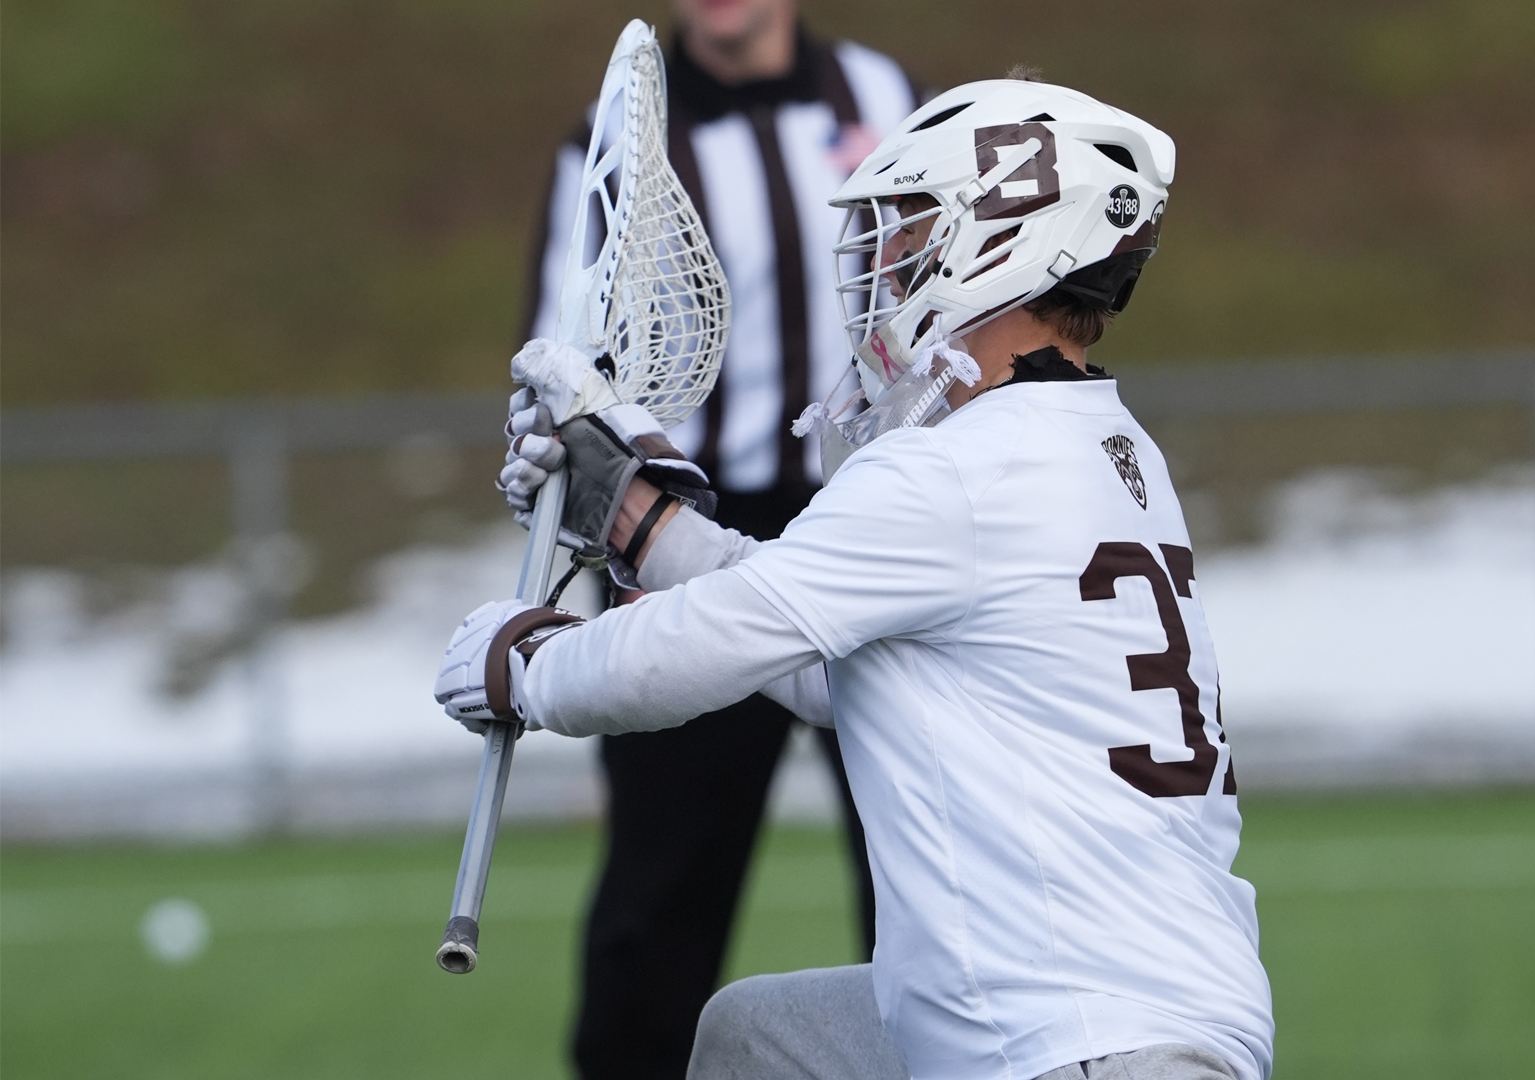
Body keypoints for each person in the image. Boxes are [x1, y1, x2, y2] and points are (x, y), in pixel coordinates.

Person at [454, 75, 1272, 1080]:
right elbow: (842, 664)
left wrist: (524, 665)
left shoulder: (955, 469)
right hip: (1142, 1010)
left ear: (1001, 244)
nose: (887, 263)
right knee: (757, 1040)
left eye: (913, 227)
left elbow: (709, 645)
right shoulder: (1101, 447)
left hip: (1072, 1039)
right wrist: (643, 522)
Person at [515, 3, 921, 1076]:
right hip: (675, 526)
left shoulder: (886, 98)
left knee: (923, 861)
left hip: (869, 520)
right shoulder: (617, 134)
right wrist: (579, 463)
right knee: (661, 892)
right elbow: (564, 351)